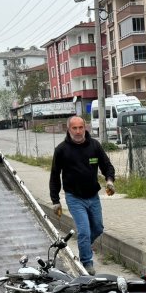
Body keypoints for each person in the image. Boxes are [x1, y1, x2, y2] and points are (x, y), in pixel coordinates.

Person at [49, 115, 116, 276]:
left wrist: (110, 181)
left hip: (93, 196)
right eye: (75, 128)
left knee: (98, 228)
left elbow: (107, 165)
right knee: (84, 231)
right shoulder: (61, 150)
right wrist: (55, 201)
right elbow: (54, 175)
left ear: (85, 127)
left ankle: (83, 245)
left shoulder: (94, 146)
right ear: (69, 129)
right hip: (74, 197)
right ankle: (87, 263)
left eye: (81, 127)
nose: (78, 131)